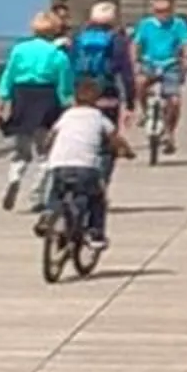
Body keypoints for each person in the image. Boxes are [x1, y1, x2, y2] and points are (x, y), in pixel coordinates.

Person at [35, 78, 134, 248]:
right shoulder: (99, 117)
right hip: (86, 166)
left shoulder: (66, 116)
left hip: (60, 163)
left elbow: (51, 136)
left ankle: (48, 214)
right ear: (97, 100)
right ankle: (96, 233)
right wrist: (128, 151)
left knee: (57, 192)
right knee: (97, 198)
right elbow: (115, 139)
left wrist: (46, 149)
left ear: (75, 98)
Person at [0, 11, 74, 211]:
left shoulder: (19, 50)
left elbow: (8, 76)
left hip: (22, 98)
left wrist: (2, 103)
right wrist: (67, 106)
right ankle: (36, 195)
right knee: (46, 153)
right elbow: (64, 86)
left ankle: (14, 177)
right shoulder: (58, 55)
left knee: (21, 150)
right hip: (47, 99)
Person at [131, 0, 187, 150]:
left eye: (166, 11)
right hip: (149, 63)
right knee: (140, 83)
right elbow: (135, 44)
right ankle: (145, 112)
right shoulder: (146, 24)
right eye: (159, 11)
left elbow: (186, 44)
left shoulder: (178, 24)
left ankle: (169, 133)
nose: (162, 15)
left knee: (174, 101)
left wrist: (186, 59)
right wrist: (134, 62)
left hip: (170, 64)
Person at [70, 1, 138, 129]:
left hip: (82, 91)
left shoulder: (78, 38)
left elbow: (70, 66)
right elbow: (126, 74)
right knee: (108, 130)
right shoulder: (117, 39)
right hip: (107, 89)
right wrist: (130, 102)